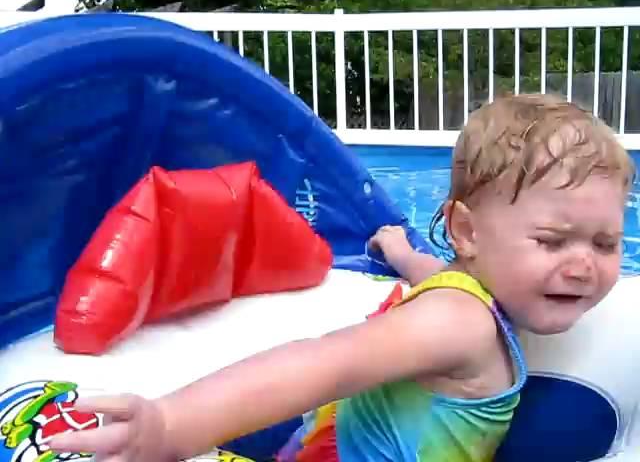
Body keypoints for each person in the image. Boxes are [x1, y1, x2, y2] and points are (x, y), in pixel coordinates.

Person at [49, 93, 635, 462]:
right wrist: (170, 426)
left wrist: (400, 252)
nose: (584, 263)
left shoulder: (464, 293)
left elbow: (437, 275)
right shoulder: (459, 323)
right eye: (552, 241)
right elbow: (323, 364)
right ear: (470, 232)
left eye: (607, 243)